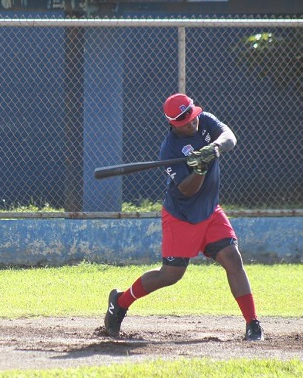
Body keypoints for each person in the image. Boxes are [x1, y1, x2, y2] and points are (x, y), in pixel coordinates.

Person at [104, 93, 264, 341]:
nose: (192, 123)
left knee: (233, 259)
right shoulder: (169, 150)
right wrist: (199, 168)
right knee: (170, 275)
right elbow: (188, 189)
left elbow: (230, 137)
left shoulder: (206, 121)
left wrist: (214, 148)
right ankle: (120, 302)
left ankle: (253, 323)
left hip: (210, 211)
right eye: (185, 121)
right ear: (173, 124)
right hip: (181, 217)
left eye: (192, 117)